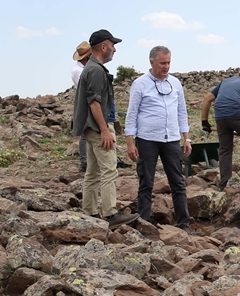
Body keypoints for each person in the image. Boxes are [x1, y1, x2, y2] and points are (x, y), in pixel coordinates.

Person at [72, 29, 137, 225]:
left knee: (92, 171)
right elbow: (94, 102)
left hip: (89, 126)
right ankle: (110, 213)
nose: (114, 50)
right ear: (103, 46)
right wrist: (104, 130)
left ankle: (90, 212)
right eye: (112, 45)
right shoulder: (96, 70)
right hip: (97, 126)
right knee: (109, 169)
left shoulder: (90, 68)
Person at [125, 46, 191, 229]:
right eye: (162, 63)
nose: (166, 66)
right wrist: (130, 142)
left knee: (177, 182)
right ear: (152, 62)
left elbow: (182, 112)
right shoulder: (140, 84)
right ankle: (144, 222)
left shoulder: (175, 83)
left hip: (171, 139)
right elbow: (132, 114)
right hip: (147, 139)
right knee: (146, 181)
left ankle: (184, 222)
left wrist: (187, 138)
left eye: (168, 62)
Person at [71, 41, 91, 173]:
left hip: (87, 101)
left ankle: (88, 160)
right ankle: (84, 161)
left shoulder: (83, 69)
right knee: (85, 133)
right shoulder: (78, 71)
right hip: (85, 102)